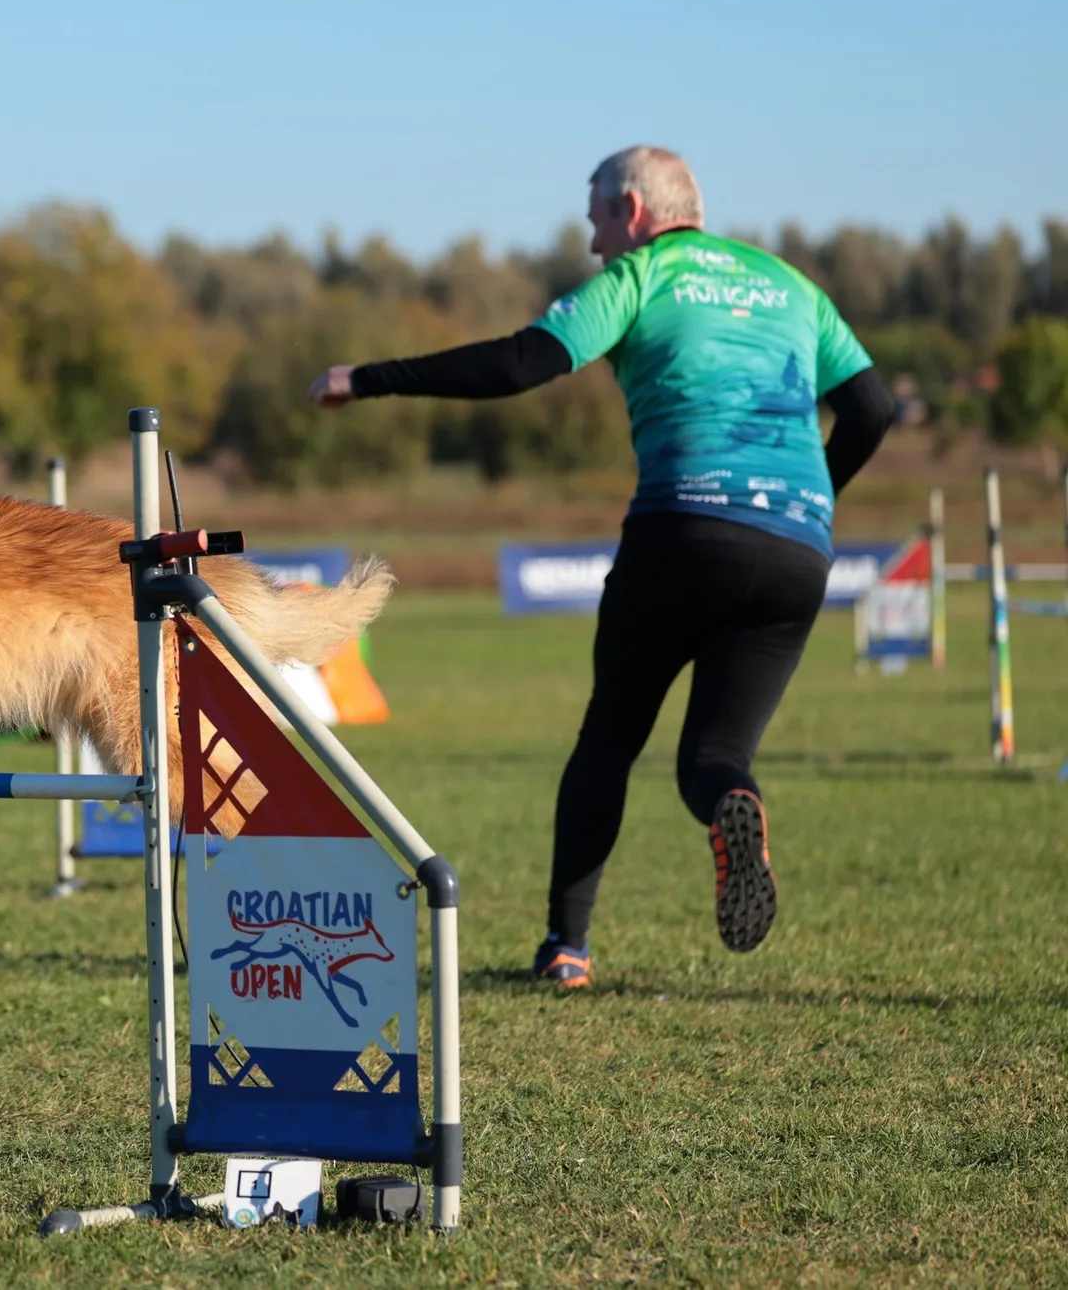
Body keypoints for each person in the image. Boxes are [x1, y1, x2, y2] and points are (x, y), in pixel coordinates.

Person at [309, 146, 893, 987]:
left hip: (681, 532)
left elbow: (519, 364)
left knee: (609, 741)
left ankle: (568, 948)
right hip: (797, 551)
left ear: (633, 207)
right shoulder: (791, 285)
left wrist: (365, 378)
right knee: (713, 756)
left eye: (594, 223)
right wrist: (812, 502)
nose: (593, 246)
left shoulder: (644, 275)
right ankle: (736, 806)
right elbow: (871, 410)